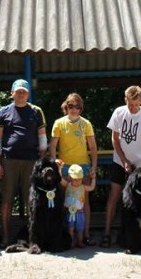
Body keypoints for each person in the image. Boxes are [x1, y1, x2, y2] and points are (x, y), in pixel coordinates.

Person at [101, 85, 141, 248]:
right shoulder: (119, 112)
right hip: (120, 160)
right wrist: (125, 161)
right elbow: (115, 139)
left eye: (136, 104)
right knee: (114, 194)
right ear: (125, 99)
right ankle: (106, 233)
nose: (132, 108)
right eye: (130, 104)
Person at [0, 79, 47, 246]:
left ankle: (33, 238)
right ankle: (5, 237)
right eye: (18, 91)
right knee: (7, 200)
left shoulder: (36, 111)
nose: (21, 93)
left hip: (31, 161)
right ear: (12, 93)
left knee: (31, 199)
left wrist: (42, 162)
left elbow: (43, 138)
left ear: (28, 94)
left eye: (24, 91)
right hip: (9, 161)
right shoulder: (3, 112)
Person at [49, 93, 99, 246]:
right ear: (66, 107)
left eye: (77, 107)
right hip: (65, 167)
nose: (74, 110)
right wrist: (54, 161)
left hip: (83, 167)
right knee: (65, 201)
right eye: (71, 106)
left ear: (81, 108)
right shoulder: (58, 123)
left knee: (84, 202)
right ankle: (65, 235)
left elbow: (93, 147)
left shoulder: (86, 124)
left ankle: (85, 235)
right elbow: (52, 145)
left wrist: (94, 166)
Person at [60, 163, 96, 248]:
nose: (77, 181)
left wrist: (93, 178)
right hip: (69, 212)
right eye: (75, 179)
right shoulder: (67, 185)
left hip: (80, 212)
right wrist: (59, 169)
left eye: (79, 179)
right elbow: (60, 179)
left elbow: (91, 187)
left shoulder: (83, 187)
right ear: (70, 178)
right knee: (70, 228)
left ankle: (79, 241)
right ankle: (71, 241)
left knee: (80, 228)